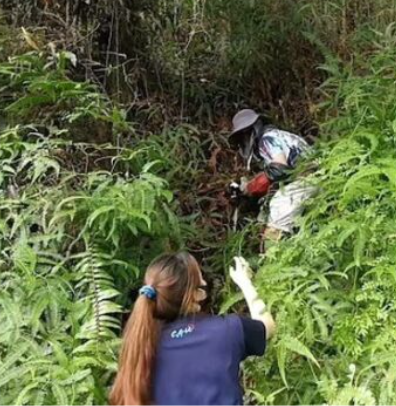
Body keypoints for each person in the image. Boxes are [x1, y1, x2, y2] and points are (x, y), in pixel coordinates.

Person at [109, 252, 275, 405]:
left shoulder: (142, 346)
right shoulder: (228, 329)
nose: (204, 284)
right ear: (195, 294)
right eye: (201, 281)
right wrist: (245, 283)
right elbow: (267, 326)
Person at [228, 109, 317, 244]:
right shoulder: (280, 135)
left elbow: (279, 168)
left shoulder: (267, 140)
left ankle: (273, 257)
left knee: (278, 206)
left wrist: (253, 185)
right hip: (317, 175)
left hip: (308, 178)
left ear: (252, 131)